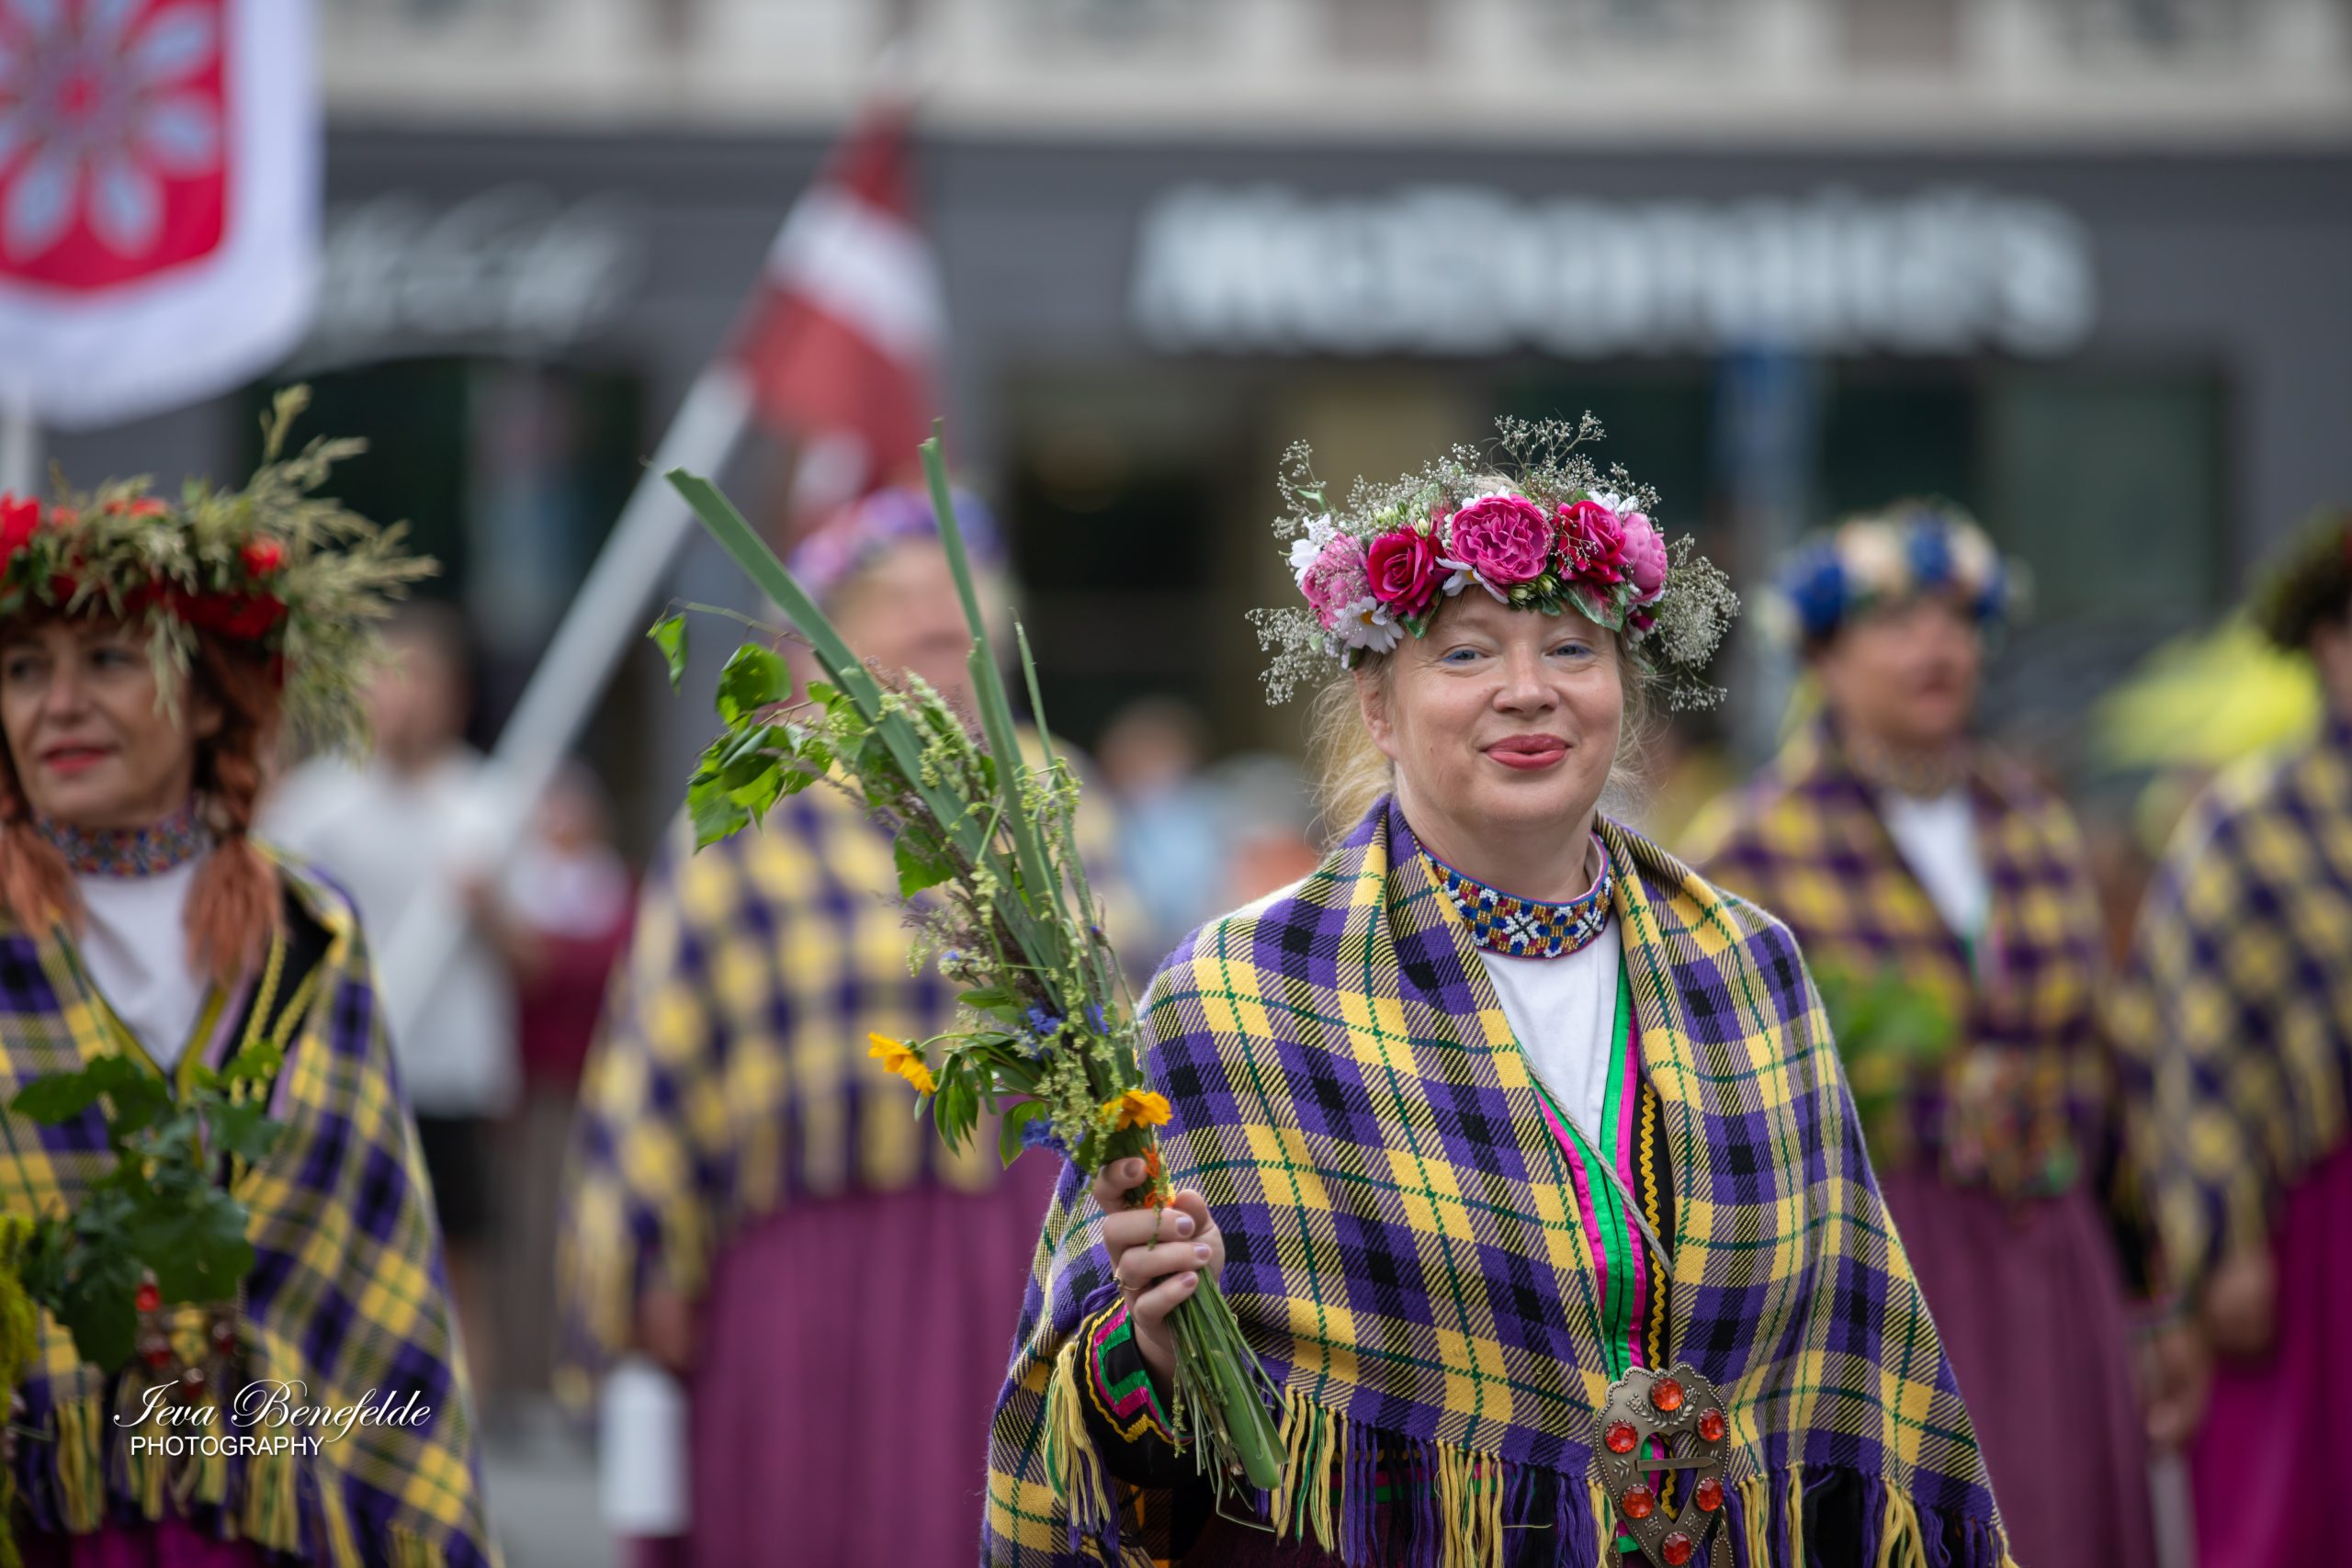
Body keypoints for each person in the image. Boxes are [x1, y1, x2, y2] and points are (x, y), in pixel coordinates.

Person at [986, 431, 2017, 1568]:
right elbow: (1081, 1433)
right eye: (1466, 654)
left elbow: (1853, 1369)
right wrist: (1157, 1349)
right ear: (1378, 708)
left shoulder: (1747, 968)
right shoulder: (1233, 996)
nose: (1527, 692)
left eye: (1571, 649)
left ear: (1622, 691)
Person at [560, 487, 1127, 1568]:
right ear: (822, 639)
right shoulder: (757, 805)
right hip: (815, 1269)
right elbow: (660, 1043)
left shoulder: (1062, 798)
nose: (934, 617)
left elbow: (1134, 1024)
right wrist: (648, 1260)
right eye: (896, 597)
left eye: (955, 597)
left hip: (1026, 1261)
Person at [0, 397, 495, 1565]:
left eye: (108, 659)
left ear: (214, 691)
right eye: (22, 668)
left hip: (271, 1512)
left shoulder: (310, 934)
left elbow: (376, 1270)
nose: (58, 705)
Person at [1680, 502, 2180, 1568]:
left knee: (2065, 1526)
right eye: (1896, 621)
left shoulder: (2033, 823)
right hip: (1881, 1264)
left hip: (2051, 1248)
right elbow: (1712, 1111)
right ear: (1821, 653)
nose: (1936, 646)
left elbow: (2107, 1071)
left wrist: (2149, 1293)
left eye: (1957, 618)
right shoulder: (1750, 849)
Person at [2112, 508, 2352, 1568]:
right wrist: (2219, 1240)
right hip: (2312, 1226)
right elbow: (2191, 1051)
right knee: (2292, 1514)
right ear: (2325, 647)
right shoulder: (2250, 824)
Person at [260, 602, 519, 1402]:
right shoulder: (314, 805)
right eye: (388, 677)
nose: (404, 696)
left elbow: (536, 960)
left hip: (454, 1076)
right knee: (337, 1256)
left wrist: (489, 910)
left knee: (459, 1262)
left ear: (457, 694)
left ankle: (467, 1432)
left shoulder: (491, 803)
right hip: (344, 1072)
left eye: (422, 679)